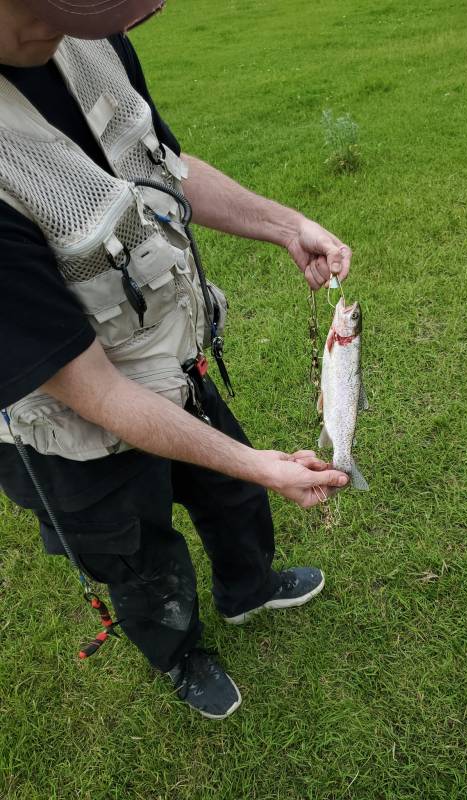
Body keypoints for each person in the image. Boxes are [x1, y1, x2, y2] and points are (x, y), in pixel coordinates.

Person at [0, 0, 352, 720]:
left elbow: (165, 165)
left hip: (170, 362)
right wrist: (262, 462)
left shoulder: (94, 40)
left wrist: (287, 225)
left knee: (231, 495)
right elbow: (91, 391)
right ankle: (181, 654)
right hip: (73, 427)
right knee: (139, 559)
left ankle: (248, 589)